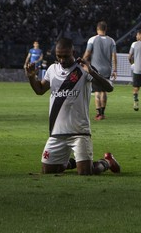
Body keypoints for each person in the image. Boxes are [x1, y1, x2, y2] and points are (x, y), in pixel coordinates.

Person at [25, 37, 120, 176]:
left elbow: (109, 87)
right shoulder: (52, 69)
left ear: (73, 52)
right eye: (59, 56)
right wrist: (31, 77)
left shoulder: (83, 68)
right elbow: (39, 90)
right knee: (48, 171)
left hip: (79, 132)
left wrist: (92, 72)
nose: (62, 60)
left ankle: (107, 162)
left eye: (65, 56)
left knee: (86, 172)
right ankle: (72, 162)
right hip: (57, 132)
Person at [82, 21, 118, 121]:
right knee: (104, 91)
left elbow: (87, 53)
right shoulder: (112, 41)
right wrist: (115, 70)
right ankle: (103, 112)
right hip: (107, 69)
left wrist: (82, 62)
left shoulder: (92, 39)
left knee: (97, 92)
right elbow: (114, 56)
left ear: (97, 29)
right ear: (105, 29)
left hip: (95, 69)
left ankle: (98, 114)